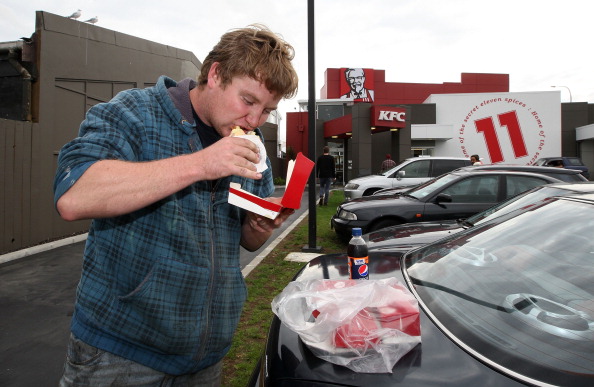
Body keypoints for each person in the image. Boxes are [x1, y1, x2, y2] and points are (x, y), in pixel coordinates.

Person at [54, 24, 298, 386]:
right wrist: (200, 164)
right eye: (248, 101)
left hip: (205, 360)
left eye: (267, 110)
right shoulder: (132, 113)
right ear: (215, 74)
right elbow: (75, 195)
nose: (254, 121)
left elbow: (248, 241)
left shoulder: (252, 144)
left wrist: (258, 225)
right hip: (118, 354)